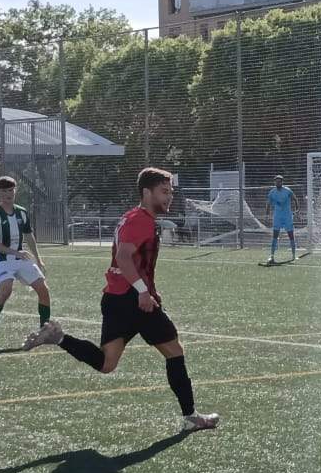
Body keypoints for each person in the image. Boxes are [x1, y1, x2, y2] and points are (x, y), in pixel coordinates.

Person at [26, 167, 219, 431]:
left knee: (107, 363)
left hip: (115, 298)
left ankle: (59, 338)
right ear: (147, 192)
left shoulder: (131, 217)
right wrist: (143, 291)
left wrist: (148, 288)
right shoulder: (141, 220)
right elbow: (124, 257)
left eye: (171, 192)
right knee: (175, 351)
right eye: (164, 191)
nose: (169, 197)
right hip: (134, 300)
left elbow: (132, 261)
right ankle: (191, 418)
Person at [0, 175, 52, 351]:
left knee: (43, 289)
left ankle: (44, 331)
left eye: (11, 190)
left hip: (21, 258)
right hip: (3, 259)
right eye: (4, 191)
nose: (8, 194)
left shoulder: (22, 212)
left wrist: (38, 258)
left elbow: (29, 236)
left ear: (15, 191)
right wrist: (16, 252)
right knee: (6, 290)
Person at [265, 176, 298, 264]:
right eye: (276, 181)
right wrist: (267, 215)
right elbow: (268, 204)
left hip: (287, 216)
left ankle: (294, 255)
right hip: (277, 217)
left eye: (279, 181)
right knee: (275, 235)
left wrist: (297, 210)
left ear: (282, 182)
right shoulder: (272, 192)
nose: (278, 183)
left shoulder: (287, 190)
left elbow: (295, 199)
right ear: (274, 182)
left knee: (291, 235)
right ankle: (272, 256)